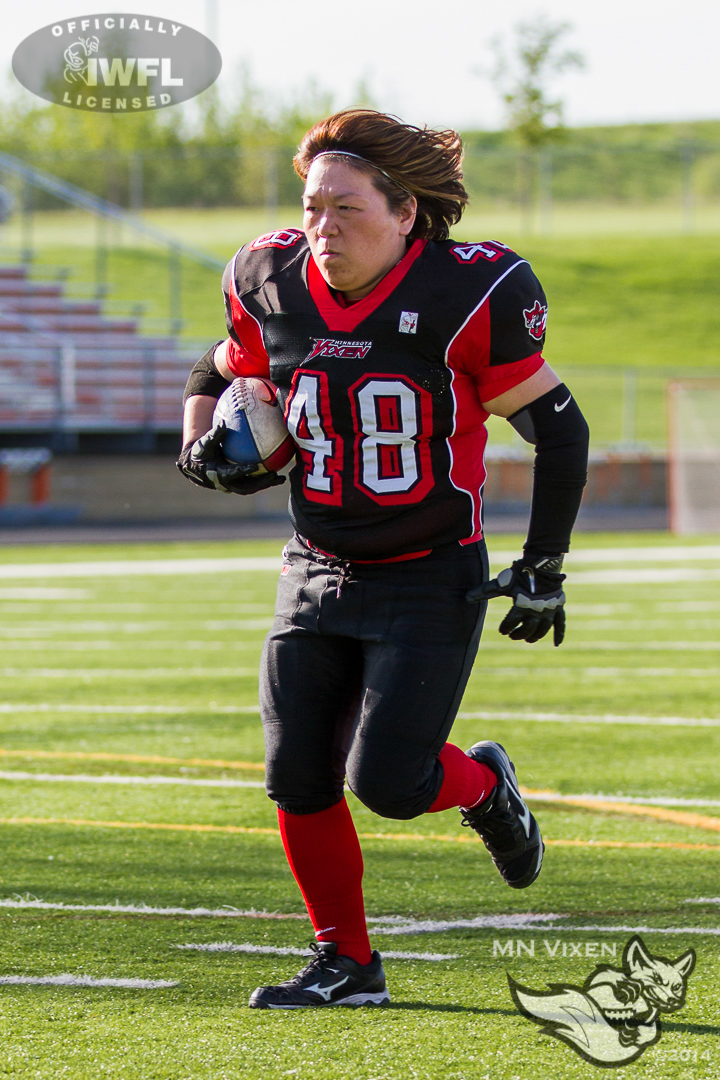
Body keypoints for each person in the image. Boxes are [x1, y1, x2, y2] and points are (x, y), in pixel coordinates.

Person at [177, 109, 589, 1010]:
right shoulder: (269, 278)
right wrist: (199, 443)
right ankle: (347, 963)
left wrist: (544, 566)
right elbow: (215, 368)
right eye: (312, 205)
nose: (323, 226)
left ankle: (485, 788)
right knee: (296, 773)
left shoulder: (466, 292)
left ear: (405, 213)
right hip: (315, 562)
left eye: (347, 207)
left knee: (391, 784)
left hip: (429, 567)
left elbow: (558, 430)